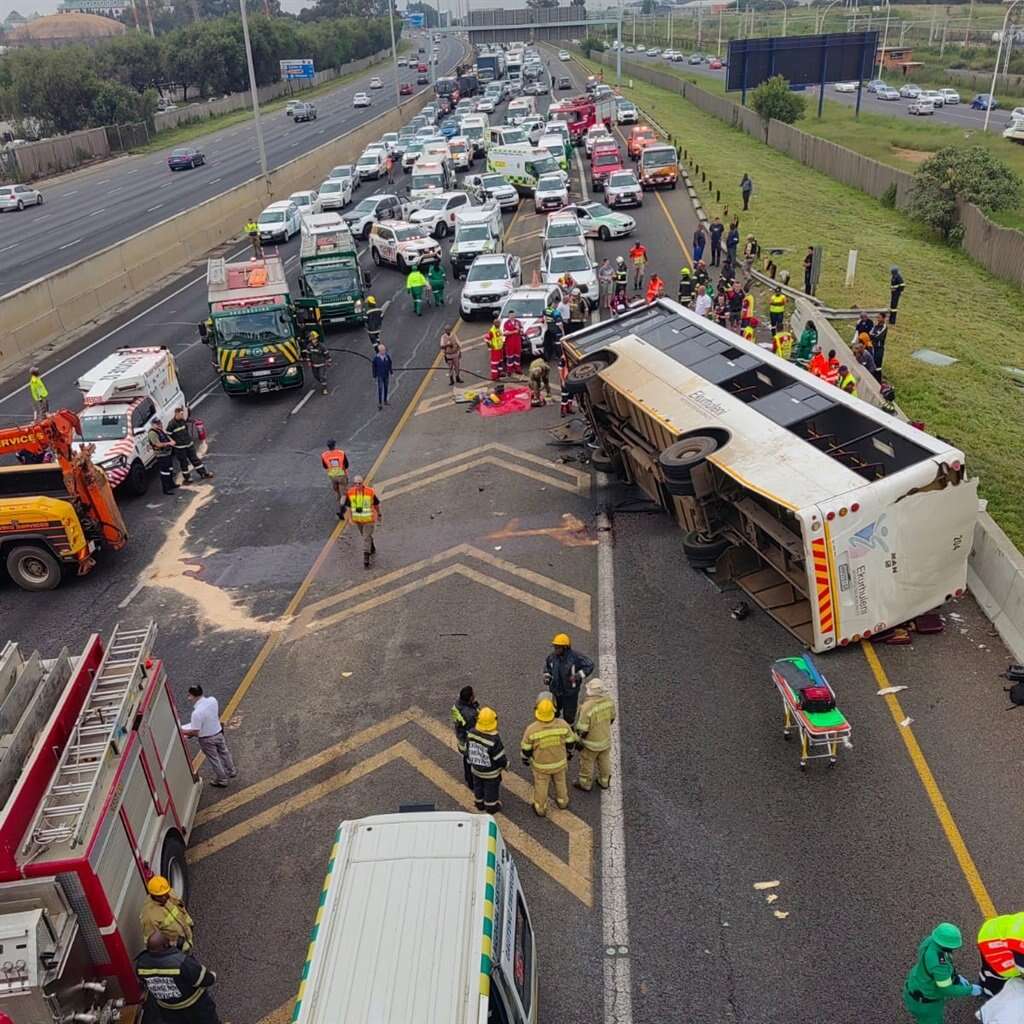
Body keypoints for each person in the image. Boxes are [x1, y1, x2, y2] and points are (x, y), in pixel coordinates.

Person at [902, 923, 980, 1024]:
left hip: (914, 987)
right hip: (927, 1004)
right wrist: (969, 989)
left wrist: (956, 978)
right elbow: (946, 989)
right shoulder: (939, 965)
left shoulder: (930, 941)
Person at [135, 931, 220, 1024]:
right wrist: (212, 976)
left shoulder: (141, 964)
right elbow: (203, 979)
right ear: (165, 945)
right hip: (194, 1006)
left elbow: (145, 981)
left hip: (167, 1009)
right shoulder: (180, 962)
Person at [520, 697, 576, 817]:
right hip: (560, 762)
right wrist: (569, 753)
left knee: (541, 786)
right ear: (553, 711)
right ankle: (563, 802)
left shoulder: (531, 729)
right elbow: (571, 742)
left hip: (541, 765)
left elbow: (526, 749)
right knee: (560, 782)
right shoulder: (563, 725)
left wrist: (526, 759)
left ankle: (540, 808)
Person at [180, 684, 236, 789]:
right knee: (224, 752)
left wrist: (182, 731)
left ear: (192, 696)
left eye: (189, 696)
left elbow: (196, 732)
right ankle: (231, 770)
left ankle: (222, 779)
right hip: (218, 732)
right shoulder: (212, 700)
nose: (189, 698)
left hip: (207, 739)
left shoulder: (196, 713)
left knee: (214, 759)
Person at [573, 677, 616, 792]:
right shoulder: (609, 701)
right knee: (604, 760)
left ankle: (585, 784)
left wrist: (577, 740)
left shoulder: (587, 707)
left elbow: (582, 729)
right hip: (605, 739)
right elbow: (612, 718)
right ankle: (604, 781)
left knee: (587, 763)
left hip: (591, 743)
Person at [543, 632, 594, 727]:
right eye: (555, 647)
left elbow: (589, 665)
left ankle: (569, 730)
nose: (555, 649)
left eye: (558, 647)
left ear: (565, 648)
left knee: (569, 716)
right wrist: (547, 676)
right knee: (554, 712)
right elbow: (547, 667)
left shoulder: (576, 657)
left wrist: (578, 675)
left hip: (570, 693)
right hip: (556, 691)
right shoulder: (552, 657)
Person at [465, 706, 507, 813]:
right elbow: (499, 757)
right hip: (491, 773)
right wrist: (505, 764)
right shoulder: (494, 739)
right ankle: (491, 807)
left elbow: (468, 750)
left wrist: (470, 761)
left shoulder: (471, 733)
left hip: (475, 769)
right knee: (491, 790)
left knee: (478, 786)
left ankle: (479, 803)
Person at [139, 876, 195, 950]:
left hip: (187, 940)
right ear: (153, 895)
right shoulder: (149, 916)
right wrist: (175, 945)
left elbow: (181, 909)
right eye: (160, 896)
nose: (164, 898)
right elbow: (153, 943)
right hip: (175, 950)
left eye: (165, 894)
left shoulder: (170, 893)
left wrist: (189, 922)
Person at [978, 912, 1024, 996]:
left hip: (994, 931)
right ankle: (989, 993)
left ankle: (984, 979)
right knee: (996, 977)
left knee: (988, 968)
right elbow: (1021, 967)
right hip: (993, 945)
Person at [341, 474, 380, 568]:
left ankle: (366, 558)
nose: (358, 485)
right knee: (366, 536)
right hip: (358, 520)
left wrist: (379, 514)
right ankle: (372, 546)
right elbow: (349, 507)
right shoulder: (350, 493)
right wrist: (350, 518)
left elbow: (376, 504)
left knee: (365, 538)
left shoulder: (369, 492)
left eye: (360, 483)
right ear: (354, 484)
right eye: (356, 483)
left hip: (368, 520)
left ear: (362, 483)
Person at [167, 407, 213, 485]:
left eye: (183, 413)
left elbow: (186, 430)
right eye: (181, 414)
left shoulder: (182, 421)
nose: (182, 415)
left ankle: (203, 473)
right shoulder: (171, 424)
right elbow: (168, 435)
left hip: (189, 444)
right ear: (176, 414)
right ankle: (187, 478)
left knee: (195, 459)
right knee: (184, 463)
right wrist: (173, 442)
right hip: (180, 448)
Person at [450, 685, 480, 791]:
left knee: (467, 760)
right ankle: (472, 783)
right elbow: (477, 728)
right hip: (469, 742)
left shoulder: (458, 705)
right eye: (473, 694)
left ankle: (468, 779)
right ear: (470, 698)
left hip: (462, 738)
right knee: (472, 762)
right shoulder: (470, 715)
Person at [147, 418, 178, 495]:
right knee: (165, 472)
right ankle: (166, 489)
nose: (160, 424)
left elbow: (166, 437)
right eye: (157, 423)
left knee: (170, 469)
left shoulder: (159, 430)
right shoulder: (152, 433)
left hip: (167, 453)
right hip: (161, 455)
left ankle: (171, 484)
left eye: (160, 422)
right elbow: (158, 444)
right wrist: (169, 443)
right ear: (153, 425)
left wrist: (172, 441)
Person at [321, 440, 349, 509]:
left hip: (332, 475)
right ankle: (342, 506)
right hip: (341, 474)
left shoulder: (324, 455)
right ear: (334, 445)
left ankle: (337, 496)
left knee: (335, 487)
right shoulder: (341, 453)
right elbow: (347, 464)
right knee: (344, 493)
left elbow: (325, 466)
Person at [306, 330, 329, 395]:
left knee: (322, 376)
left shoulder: (322, 346)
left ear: (316, 338)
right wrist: (309, 362)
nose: (313, 340)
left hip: (322, 364)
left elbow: (326, 354)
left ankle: (324, 388)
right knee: (316, 376)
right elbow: (308, 354)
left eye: (314, 339)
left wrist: (329, 361)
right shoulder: (309, 346)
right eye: (312, 339)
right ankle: (322, 382)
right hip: (314, 365)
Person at [372, 344, 393, 410]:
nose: (384, 351)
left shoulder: (387, 356)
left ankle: (385, 401)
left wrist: (391, 372)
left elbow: (390, 364)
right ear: (379, 351)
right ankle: (380, 402)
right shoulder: (376, 358)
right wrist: (374, 375)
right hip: (380, 375)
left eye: (384, 350)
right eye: (382, 350)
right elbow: (374, 367)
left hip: (386, 374)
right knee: (380, 389)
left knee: (386, 387)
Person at [487, 313, 506, 381]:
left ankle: (500, 373)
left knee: (500, 361)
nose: (499, 325)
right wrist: (490, 347)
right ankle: (495, 376)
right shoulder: (492, 331)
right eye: (498, 324)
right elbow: (486, 339)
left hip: (500, 348)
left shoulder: (498, 329)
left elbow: (501, 336)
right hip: (495, 349)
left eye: (499, 324)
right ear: (495, 324)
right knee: (495, 363)